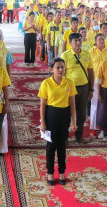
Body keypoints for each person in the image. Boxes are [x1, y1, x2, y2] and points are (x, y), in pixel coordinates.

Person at [38, 57, 77, 185]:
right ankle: (50, 172)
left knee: (62, 146)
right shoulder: (46, 83)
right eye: (58, 67)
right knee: (50, 146)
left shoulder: (69, 83)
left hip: (64, 116)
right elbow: (43, 104)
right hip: (51, 116)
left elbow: (72, 103)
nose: (61, 70)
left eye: (62, 67)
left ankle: (61, 172)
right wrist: (42, 121)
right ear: (51, 69)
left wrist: (73, 121)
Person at [61, 33, 94, 143]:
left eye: (79, 40)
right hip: (69, 89)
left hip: (84, 87)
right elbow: (60, 73)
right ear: (70, 43)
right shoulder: (65, 55)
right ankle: (65, 136)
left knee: (81, 113)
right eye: (75, 40)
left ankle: (79, 135)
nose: (78, 43)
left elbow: (91, 72)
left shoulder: (87, 54)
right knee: (67, 112)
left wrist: (91, 89)